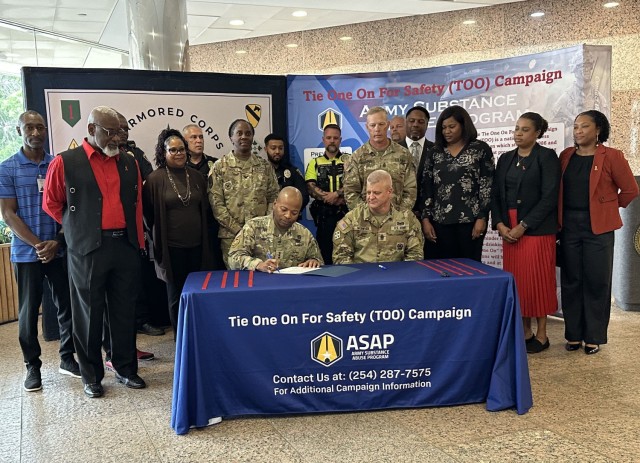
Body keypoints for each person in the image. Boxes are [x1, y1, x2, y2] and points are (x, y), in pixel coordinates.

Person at [43, 106, 146, 398]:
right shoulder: (66, 162)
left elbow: (136, 204)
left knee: (125, 313)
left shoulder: (128, 162)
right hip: (87, 249)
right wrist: (79, 227)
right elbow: (51, 203)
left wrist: (138, 242)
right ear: (91, 130)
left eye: (119, 131)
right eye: (110, 131)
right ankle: (91, 376)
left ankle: (126, 368)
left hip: (124, 246)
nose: (117, 137)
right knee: (88, 314)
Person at [0, 110, 79, 392]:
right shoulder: (7, 168)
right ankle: (32, 367)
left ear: (46, 130)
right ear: (19, 131)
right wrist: (37, 245)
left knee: (67, 306)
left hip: (59, 248)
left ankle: (68, 359)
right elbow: (8, 214)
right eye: (29, 128)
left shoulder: (59, 164)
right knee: (28, 311)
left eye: (40, 127)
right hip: (27, 254)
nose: (35, 132)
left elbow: (70, 207)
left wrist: (57, 241)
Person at [559, 110, 638, 355]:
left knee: (596, 281)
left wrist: (607, 207)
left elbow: (629, 190)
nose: (578, 131)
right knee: (571, 280)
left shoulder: (611, 156)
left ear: (598, 131)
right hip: (569, 225)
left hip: (598, 228)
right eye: (575, 127)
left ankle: (593, 336)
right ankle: (573, 334)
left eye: (584, 126)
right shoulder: (566, 155)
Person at [491, 113, 560, 354]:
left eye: (525, 130)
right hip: (509, 229)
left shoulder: (547, 157)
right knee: (519, 281)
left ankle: (542, 333)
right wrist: (500, 225)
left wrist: (524, 225)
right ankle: (525, 331)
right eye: (517, 128)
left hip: (536, 229)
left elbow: (550, 197)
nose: (518, 133)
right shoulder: (505, 158)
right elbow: (496, 195)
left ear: (538, 133)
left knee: (538, 280)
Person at [143, 128, 213, 338]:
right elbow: (148, 215)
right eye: (173, 150)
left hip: (199, 248)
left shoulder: (197, 177)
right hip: (171, 249)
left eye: (181, 149)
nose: (179, 153)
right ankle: (181, 338)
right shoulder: (155, 180)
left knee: (199, 294)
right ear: (163, 153)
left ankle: (199, 336)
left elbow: (206, 210)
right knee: (175, 297)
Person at [421, 105, 495, 261]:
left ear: (463, 125)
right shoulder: (435, 152)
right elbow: (427, 187)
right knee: (444, 269)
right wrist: (426, 219)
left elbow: (487, 186)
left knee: (470, 269)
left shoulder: (480, 149)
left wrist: (482, 217)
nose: (447, 131)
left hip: (471, 222)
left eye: (452, 127)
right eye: (443, 127)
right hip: (439, 223)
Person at [209, 119, 279, 267]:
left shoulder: (265, 166)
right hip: (232, 237)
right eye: (239, 133)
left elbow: (273, 197)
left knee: (264, 277)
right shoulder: (219, 167)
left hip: (261, 237)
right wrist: (239, 230)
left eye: (248, 133)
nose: (244, 137)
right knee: (236, 282)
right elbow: (217, 205)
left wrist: (263, 227)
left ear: (252, 137)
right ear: (231, 137)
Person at [333, 170, 424, 264]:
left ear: (389, 191)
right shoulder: (351, 219)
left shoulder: (407, 218)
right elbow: (341, 257)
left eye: (376, 193)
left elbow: (415, 254)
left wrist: (402, 275)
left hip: (396, 275)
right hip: (361, 275)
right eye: (368, 192)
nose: (371, 197)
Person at [228, 187, 322, 272]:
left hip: (292, 286)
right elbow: (233, 258)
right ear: (275, 204)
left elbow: (318, 261)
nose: (288, 216)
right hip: (259, 285)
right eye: (284, 209)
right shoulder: (253, 227)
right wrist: (258, 265)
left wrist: (314, 261)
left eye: (294, 213)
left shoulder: (305, 234)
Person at [343, 106, 416, 211]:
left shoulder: (403, 155)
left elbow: (410, 190)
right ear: (367, 127)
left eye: (381, 124)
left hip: (397, 220)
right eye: (373, 125)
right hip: (366, 222)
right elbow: (351, 193)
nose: (377, 129)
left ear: (388, 125)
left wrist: (399, 215)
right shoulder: (357, 158)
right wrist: (368, 216)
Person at [305, 124, 349, 265]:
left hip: (346, 214)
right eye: (329, 137)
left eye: (335, 138)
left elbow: (355, 184)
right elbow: (310, 187)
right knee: (325, 252)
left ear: (340, 140)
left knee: (347, 250)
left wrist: (336, 194)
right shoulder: (315, 162)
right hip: (324, 216)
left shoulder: (350, 160)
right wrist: (328, 198)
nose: (332, 141)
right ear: (323, 139)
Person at [183, 123, 224, 270]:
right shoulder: (180, 166)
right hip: (190, 224)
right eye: (193, 137)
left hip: (212, 223)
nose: (198, 140)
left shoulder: (216, 164)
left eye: (201, 137)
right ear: (184, 141)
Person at [399, 106, 436, 257]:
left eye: (421, 121)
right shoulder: (394, 150)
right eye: (412, 121)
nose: (415, 125)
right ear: (406, 123)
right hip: (400, 218)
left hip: (430, 219)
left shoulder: (437, 150)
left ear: (427, 124)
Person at [264, 133, 309, 211]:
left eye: (281, 148)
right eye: (273, 148)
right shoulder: (260, 171)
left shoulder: (292, 171)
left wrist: (291, 210)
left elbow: (304, 196)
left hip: (288, 217)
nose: (277, 151)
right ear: (266, 149)